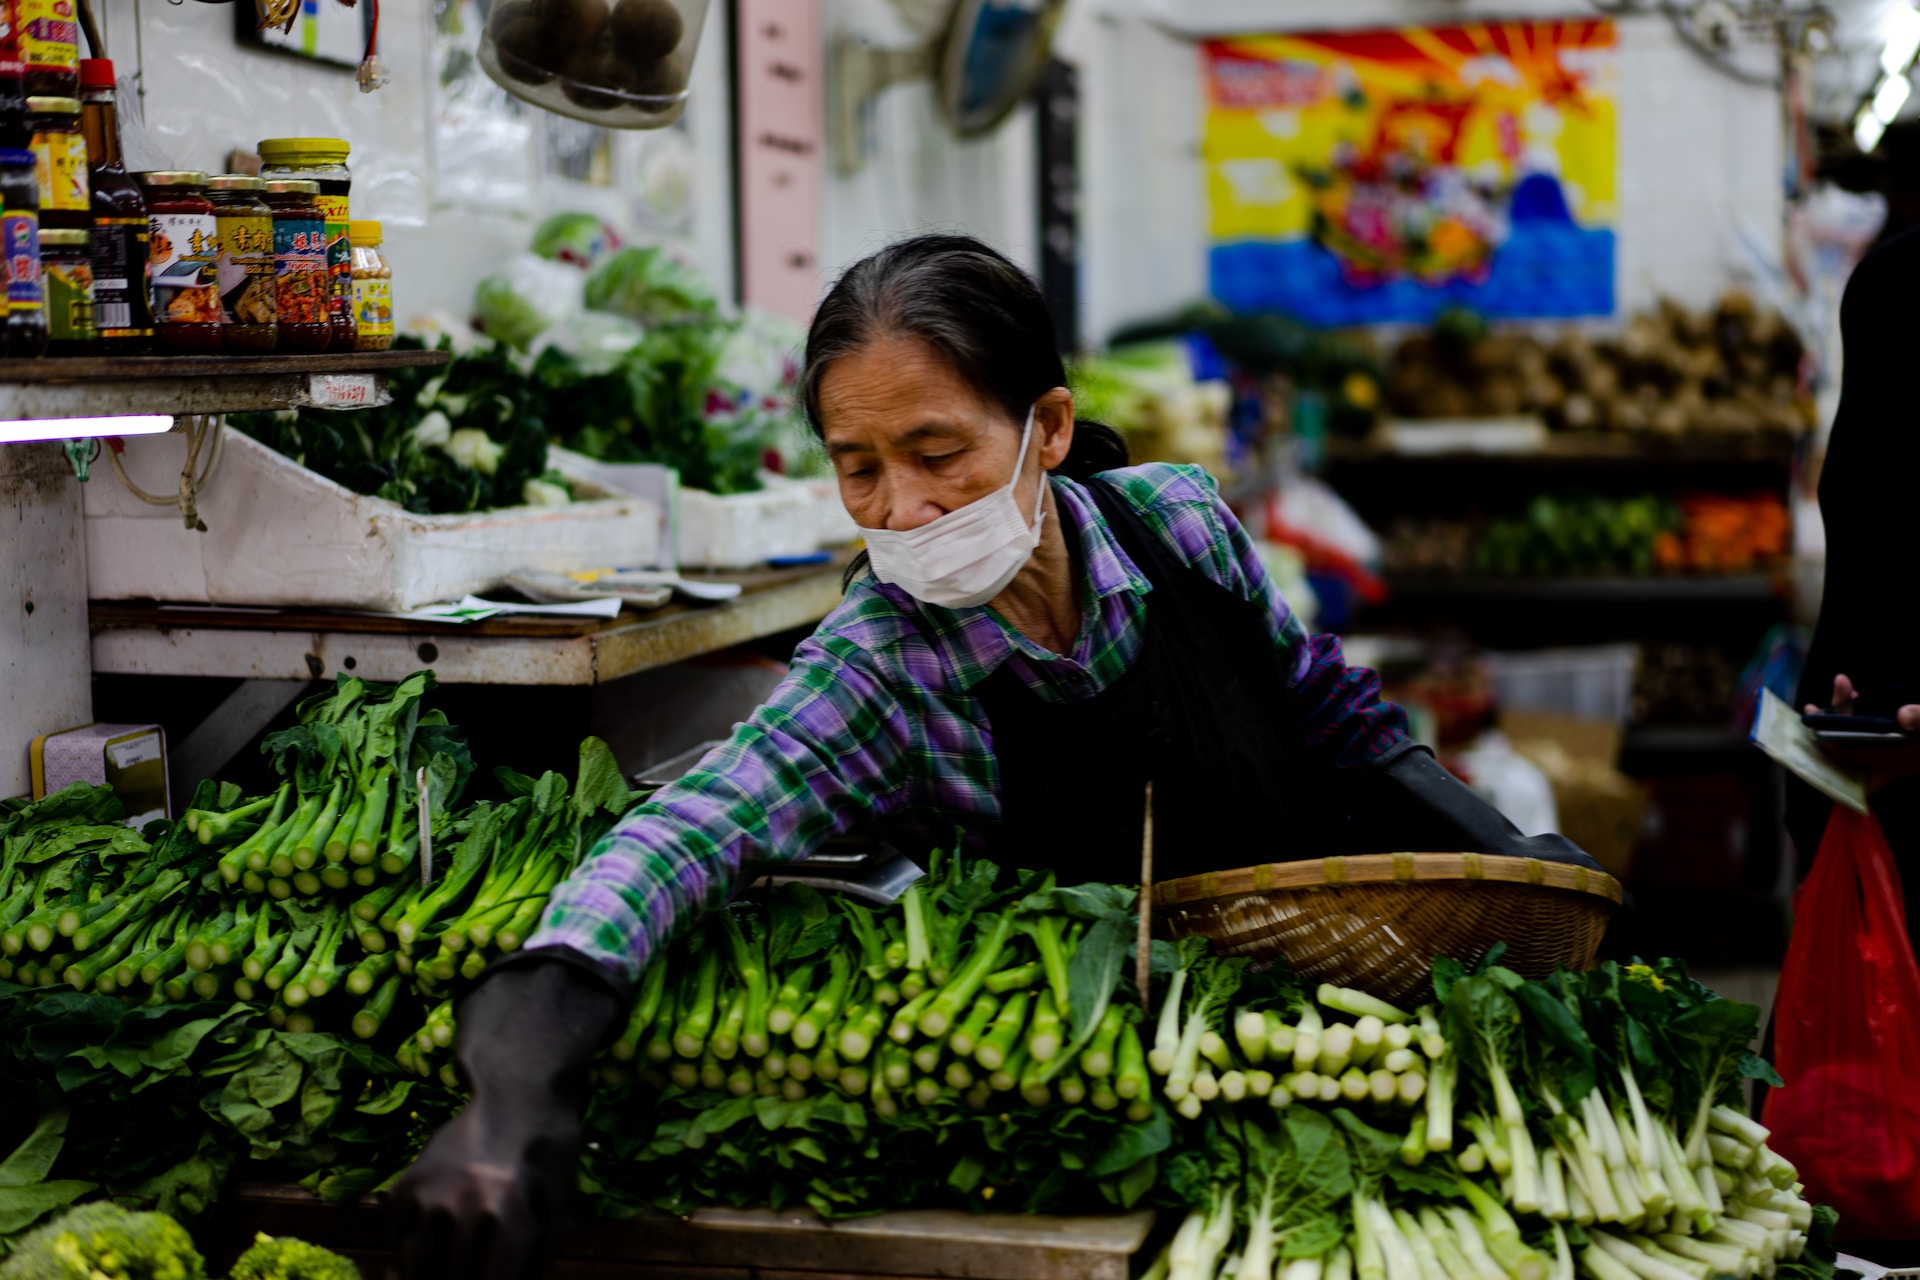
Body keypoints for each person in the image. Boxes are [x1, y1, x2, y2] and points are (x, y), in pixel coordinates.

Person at [392, 234, 1600, 1279]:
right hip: (1123, 1106)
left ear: (1051, 428)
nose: (902, 509)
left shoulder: (1177, 519)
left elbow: (1331, 713)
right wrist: (517, 1080)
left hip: (1346, 1032)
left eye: (939, 452)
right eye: (858, 466)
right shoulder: (883, 661)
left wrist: (1517, 858)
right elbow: (691, 828)